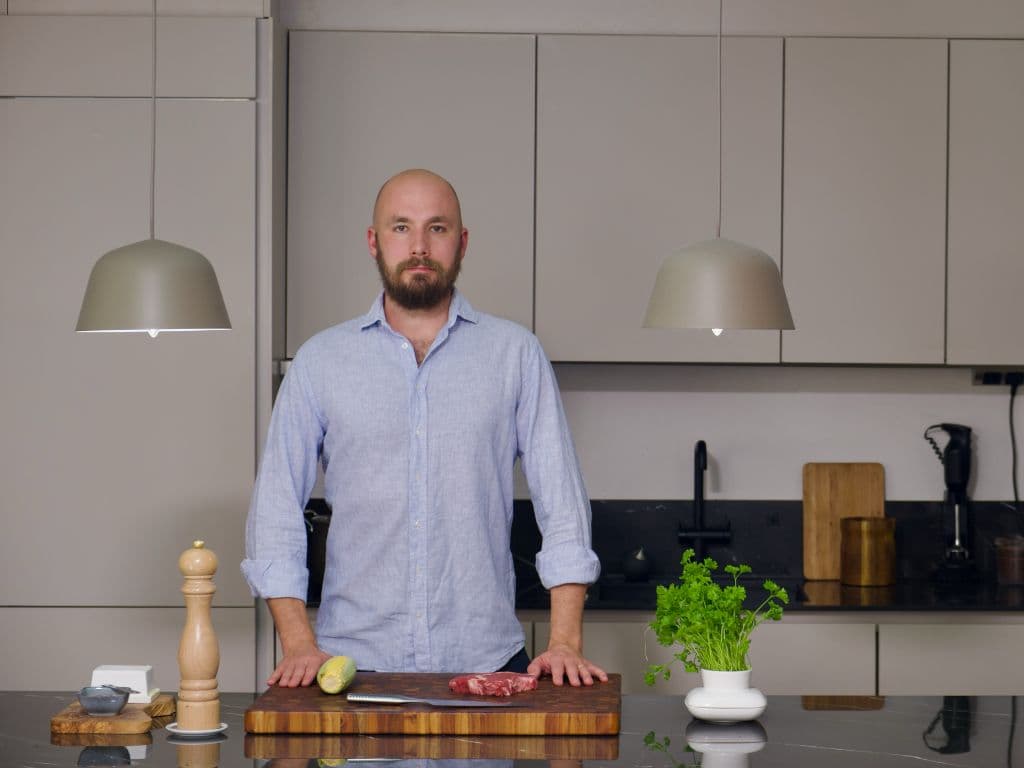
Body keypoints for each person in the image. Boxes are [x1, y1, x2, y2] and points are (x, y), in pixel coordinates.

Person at [242, 168, 606, 688]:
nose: (418, 246)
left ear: (462, 242)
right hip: (352, 665)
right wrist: (298, 641)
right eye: (400, 228)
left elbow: (563, 505)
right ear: (373, 241)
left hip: (486, 658)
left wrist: (566, 641)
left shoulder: (515, 355)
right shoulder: (320, 361)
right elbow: (276, 508)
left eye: (436, 228)